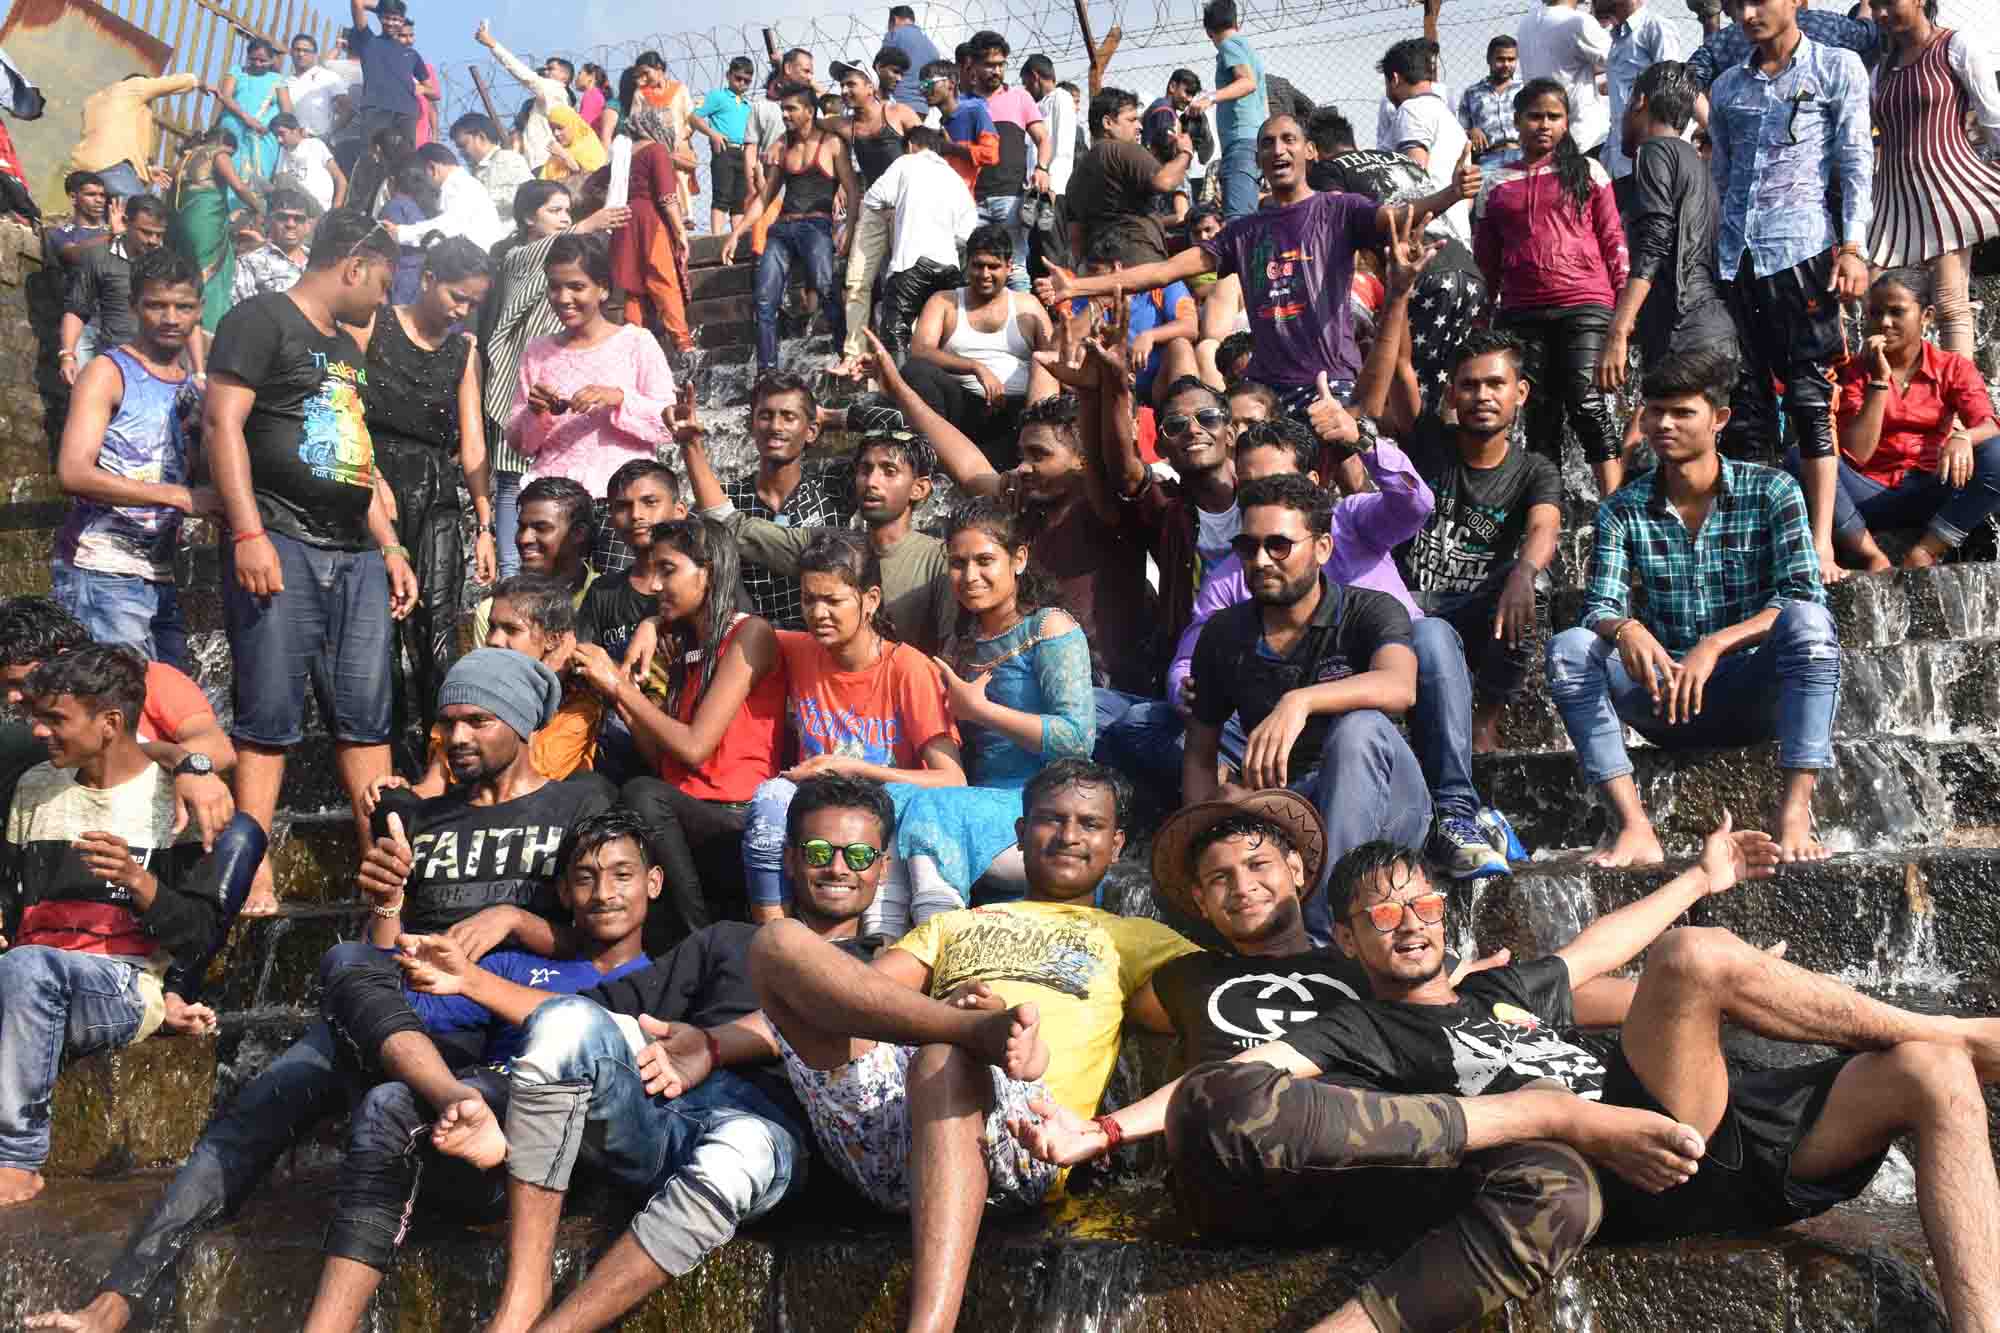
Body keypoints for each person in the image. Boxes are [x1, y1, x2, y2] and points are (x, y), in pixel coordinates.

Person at [1153, 823, 2000, 1332]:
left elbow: (1600, 944)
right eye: (1382, 912)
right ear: (1346, 936)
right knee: (1693, 956)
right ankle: (1961, 1026)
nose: (1410, 924)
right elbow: (1245, 1076)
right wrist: (1114, 1128)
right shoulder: (1363, 1027)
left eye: (1424, 904)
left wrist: (1703, 875)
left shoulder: (1502, 988)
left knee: (1932, 1072)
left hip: (1737, 1124)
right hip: (1634, 1154)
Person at [20, 649, 610, 1333]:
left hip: (505, 1022)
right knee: (257, 1103)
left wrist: (513, 918)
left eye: (478, 721)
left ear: (523, 721)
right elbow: (385, 951)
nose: (457, 737)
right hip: (401, 1013)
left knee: (371, 1054)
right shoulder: (422, 816)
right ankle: (113, 1303)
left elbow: (611, 934)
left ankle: (449, 1104)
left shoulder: (581, 801)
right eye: (447, 722)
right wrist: (387, 900)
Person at [742, 758, 1196, 1333]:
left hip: (1026, 1140)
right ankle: (969, 1030)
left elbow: (1216, 1012)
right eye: (1051, 819)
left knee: (945, 1056)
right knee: (778, 941)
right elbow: (844, 999)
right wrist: (708, 1045)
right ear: (1020, 831)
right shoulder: (955, 923)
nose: (1069, 835)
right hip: (886, 1134)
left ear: (1117, 844)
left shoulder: (1136, 937)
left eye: (1090, 823)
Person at [479, 786, 893, 1333]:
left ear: (882, 868)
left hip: (771, 1139)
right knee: (564, 1023)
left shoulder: (894, 968)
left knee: (741, 1150)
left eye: (858, 855)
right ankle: (522, 1299)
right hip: (658, 1110)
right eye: (819, 851)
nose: (837, 868)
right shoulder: (726, 941)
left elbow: (834, 1021)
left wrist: (712, 1044)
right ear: (790, 859)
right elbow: (590, 1012)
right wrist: (467, 981)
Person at [297, 802, 656, 1333]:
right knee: (352, 977)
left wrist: (495, 950)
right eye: (585, 878)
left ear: (654, 883)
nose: (604, 893)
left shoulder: (667, 977)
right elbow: (392, 1013)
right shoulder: (517, 965)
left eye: (622, 875)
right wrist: (390, 909)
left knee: (428, 1096)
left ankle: (463, 1102)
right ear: (563, 893)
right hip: (465, 1134)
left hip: (552, 1156)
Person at [203, 208, 419, 934]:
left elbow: (358, 453)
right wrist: (247, 532)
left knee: (367, 718)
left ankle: (382, 871)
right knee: (267, 713)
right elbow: (222, 424)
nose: (384, 299)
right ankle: (251, 862)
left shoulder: (345, 348)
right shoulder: (260, 319)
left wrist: (390, 545)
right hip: (281, 537)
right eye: (381, 282)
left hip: (354, 552)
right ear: (352, 265)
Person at [1547, 345, 1838, 867]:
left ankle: (1795, 812)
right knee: (1571, 648)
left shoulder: (1773, 491)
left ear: (1719, 419)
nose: (1665, 424)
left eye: (1682, 412)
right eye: (1656, 411)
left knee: (1811, 623)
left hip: (1752, 691)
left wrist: (1716, 644)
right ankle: (1634, 826)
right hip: (1666, 697)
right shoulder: (1621, 510)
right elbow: (1599, 607)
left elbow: (1802, 594)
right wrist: (1626, 628)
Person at [0, 646, 264, 1209]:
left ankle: (17, 1160)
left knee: (28, 967)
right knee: (25, 966)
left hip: (122, 985)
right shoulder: (35, 788)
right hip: (28, 975)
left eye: (54, 719)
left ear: (110, 723)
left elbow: (197, 937)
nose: (38, 731)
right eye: (37, 717)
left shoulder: (179, 803)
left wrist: (137, 881)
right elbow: (12, 904)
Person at [1044, 112, 1477, 418]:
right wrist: (1077, 287)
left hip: (1332, 385)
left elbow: (1398, 217)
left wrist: (1453, 193)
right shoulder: (1243, 232)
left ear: (1310, 151)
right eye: (1267, 143)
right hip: (1265, 395)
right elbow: (1163, 271)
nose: (1278, 149)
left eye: (1288, 139)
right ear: (1259, 160)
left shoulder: (1339, 210)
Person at [1181, 472, 1431, 944]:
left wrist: (1300, 701)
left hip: (1386, 803)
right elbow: (1199, 752)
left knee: (1358, 729)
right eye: (1248, 547)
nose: (1260, 561)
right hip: (1287, 807)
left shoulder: (1369, 611)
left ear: (1322, 547)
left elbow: (1400, 686)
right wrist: (1205, 831)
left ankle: (1328, 932)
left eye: (1278, 546)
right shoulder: (1224, 633)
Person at [872, 331, 1157, 702]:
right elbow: (967, 466)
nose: (1022, 468)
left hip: (1104, 691)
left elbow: (1117, 465)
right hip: (1030, 681)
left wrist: (1099, 392)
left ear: (1082, 461)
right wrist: (898, 388)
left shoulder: (1106, 507)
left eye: (1039, 455)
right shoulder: (1024, 505)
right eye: (1022, 455)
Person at [722, 531, 967, 931]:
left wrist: (850, 768)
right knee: (770, 799)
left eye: (833, 601)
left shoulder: (909, 669)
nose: (818, 613)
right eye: (808, 600)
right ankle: (775, 938)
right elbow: (729, 625)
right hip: (816, 811)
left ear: (870, 600)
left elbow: (952, 779)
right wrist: (651, 625)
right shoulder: (799, 649)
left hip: (881, 813)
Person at [1709, 0, 1872, 585]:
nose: (1748, 13)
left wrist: (1852, 247)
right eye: (1736, 4)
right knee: (1746, 408)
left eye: (1759, 0)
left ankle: (1822, 543)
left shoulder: (1836, 67)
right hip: (1736, 261)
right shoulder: (1727, 87)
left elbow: (1855, 160)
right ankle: (1760, 542)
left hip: (1802, 251)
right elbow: (1722, 176)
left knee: (1809, 398)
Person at [583, 516, 783, 938]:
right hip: (687, 813)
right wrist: (621, 698)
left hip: (735, 816)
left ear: (707, 571)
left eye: (668, 570)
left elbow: (695, 748)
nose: (655, 585)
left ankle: (699, 936)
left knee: (641, 793)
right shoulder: (686, 645)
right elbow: (665, 762)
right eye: (652, 570)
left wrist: (620, 687)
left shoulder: (750, 634)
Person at [358, 236, 498, 735]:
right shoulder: (374, 325)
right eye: (457, 297)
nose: (462, 311)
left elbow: (474, 443)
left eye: (472, 304)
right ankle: (387, 746)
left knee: (438, 625)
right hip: (372, 484)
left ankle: (441, 750)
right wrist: (370, 475)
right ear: (428, 279)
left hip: (436, 491)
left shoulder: (464, 351)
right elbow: (345, 405)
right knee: (378, 627)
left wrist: (484, 523)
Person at [51, 247, 213, 671]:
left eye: (183, 306)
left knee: (173, 696)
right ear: (133, 306)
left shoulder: (194, 390)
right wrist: (176, 495)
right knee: (118, 703)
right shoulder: (107, 372)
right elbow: (73, 472)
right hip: (100, 569)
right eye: (156, 305)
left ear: (199, 310)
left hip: (158, 574)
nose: (171, 318)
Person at [684, 407, 956, 655]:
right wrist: (691, 445)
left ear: (919, 488)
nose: (872, 481)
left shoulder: (940, 560)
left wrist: (830, 417)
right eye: (865, 470)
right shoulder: (828, 545)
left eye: (889, 471)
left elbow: (950, 650)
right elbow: (733, 526)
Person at [1473, 79, 1629, 495]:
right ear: (1516, 121)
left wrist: (1623, 317)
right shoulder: (1494, 184)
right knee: (1538, 417)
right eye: (1535, 116)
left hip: (1585, 303)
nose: (1544, 124)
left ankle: (1616, 507)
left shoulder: (1588, 171)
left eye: (1554, 116)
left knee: (1586, 403)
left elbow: (1613, 240)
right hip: (1521, 312)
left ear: (1566, 122)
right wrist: (1483, 321)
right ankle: (1547, 513)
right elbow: (1485, 263)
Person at [479, 182, 629, 579]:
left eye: (568, 211)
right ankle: (512, 577)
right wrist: (588, 224)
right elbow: (555, 252)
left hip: (564, 385)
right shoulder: (516, 257)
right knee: (512, 480)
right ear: (528, 217)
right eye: (555, 210)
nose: (565, 219)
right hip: (521, 382)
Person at [1595, 60, 1736, 466]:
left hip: (1684, 329)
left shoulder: (1654, 151)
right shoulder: (1695, 162)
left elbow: (1654, 242)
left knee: (1650, 454)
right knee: (1692, 463)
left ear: (1640, 101)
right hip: (1711, 329)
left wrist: (1618, 329)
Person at [1303, 111, 1491, 414]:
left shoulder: (1327, 171)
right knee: (1452, 387)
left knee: (1412, 390)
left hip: (1419, 272)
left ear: (1312, 150)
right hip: (1467, 270)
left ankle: (1420, 445)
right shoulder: (1399, 159)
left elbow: (1337, 227)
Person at [1818, 268, 2000, 572]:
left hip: (1934, 489)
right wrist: (1878, 381)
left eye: (1896, 312)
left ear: (1926, 316)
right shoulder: (1855, 371)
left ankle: (1926, 550)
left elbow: (1990, 424)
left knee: (1997, 453)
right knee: (1803, 457)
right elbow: (1857, 454)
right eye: (1875, 313)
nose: (1884, 322)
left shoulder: (1952, 367)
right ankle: (1871, 555)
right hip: (1867, 495)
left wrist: (1964, 436)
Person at [508, 231, 676, 553]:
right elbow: (520, 444)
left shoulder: (636, 343)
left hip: (622, 504)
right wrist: (534, 412)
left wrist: (619, 398)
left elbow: (669, 424)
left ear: (603, 288)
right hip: (555, 507)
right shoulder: (537, 351)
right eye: (555, 286)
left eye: (576, 286)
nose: (563, 297)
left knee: (618, 585)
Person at [380, 574, 603, 802]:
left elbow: (532, 774)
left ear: (553, 640)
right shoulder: (476, 691)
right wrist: (400, 794)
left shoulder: (578, 701)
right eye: (492, 627)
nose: (494, 640)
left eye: (511, 629)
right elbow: (433, 786)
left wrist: (544, 682)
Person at [1865, 0, 2000, 362]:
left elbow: (1994, 121)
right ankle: (1888, 388)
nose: (1880, 14)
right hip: (1893, 198)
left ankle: (1961, 396)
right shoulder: (1880, 70)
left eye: (1888, 3)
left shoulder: (1955, 47)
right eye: (1874, 5)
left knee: (1950, 304)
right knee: (1872, 297)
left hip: (1948, 191)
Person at [722, 81, 855, 374]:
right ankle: (766, 373)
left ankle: (846, 356)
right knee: (764, 299)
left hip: (817, 226)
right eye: (783, 109)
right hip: (782, 229)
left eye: (791, 109)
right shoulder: (783, 147)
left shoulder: (831, 144)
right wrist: (736, 234)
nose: (784, 114)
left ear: (809, 111)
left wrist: (851, 229)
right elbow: (765, 197)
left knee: (826, 286)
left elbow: (852, 189)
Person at [905, 225, 1054, 470]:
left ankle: (1018, 457)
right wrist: (975, 367)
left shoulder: (1028, 305)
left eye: (993, 267)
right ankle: (931, 455)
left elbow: (1053, 361)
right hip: (962, 408)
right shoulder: (944, 301)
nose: (984, 274)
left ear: (1009, 267)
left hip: (1017, 415)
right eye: (978, 265)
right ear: (967, 264)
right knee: (916, 370)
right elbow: (920, 350)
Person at [721, 372, 856, 630]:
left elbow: (902, 428)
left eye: (788, 417)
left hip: (821, 639)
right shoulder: (728, 498)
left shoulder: (832, 489)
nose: (775, 426)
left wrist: (833, 417)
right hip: (749, 644)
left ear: (811, 430)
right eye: (765, 415)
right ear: (751, 425)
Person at [850, 124, 976, 366]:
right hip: (949, 269)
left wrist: (894, 213)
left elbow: (873, 198)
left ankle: (897, 386)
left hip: (910, 266)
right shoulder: (954, 178)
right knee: (946, 338)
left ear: (909, 146)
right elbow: (966, 230)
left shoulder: (906, 163)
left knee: (895, 337)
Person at [1064, 86, 1191, 270]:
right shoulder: (1123, 150)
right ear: (1108, 123)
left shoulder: (1076, 175)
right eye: (1131, 120)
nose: (1139, 126)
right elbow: (1165, 181)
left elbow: (1075, 236)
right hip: (1139, 262)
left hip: (1098, 271)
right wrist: (1185, 153)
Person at [962, 31, 1050, 293]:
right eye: (990, 65)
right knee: (972, 270)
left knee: (1015, 268)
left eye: (1001, 64)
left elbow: (1043, 138)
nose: (997, 71)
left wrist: (1042, 168)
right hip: (970, 201)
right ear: (973, 66)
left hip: (1010, 197)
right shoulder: (962, 104)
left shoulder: (1019, 97)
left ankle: (1022, 319)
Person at [471, 477, 598, 646]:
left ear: (578, 533)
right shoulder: (493, 611)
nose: (525, 539)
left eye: (541, 528)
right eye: (522, 527)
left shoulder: (609, 597)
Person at [60, 194, 175, 380]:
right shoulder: (99, 258)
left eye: (159, 234)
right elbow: (77, 309)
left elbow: (189, 318)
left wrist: (199, 372)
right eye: (146, 232)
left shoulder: (168, 266)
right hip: (110, 359)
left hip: (154, 365)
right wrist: (68, 355)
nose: (153, 240)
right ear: (126, 223)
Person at [1379, 38, 1474, 244]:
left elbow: (1414, 179)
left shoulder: (1411, 109)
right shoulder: (1451, 121)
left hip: (1427, 237)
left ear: (1394, 79)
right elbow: (1467, 197)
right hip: (1458, 236)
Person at [168, 127, 258, 332]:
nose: (230, 158)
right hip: (205, 223)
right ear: (224, 145)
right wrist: (258, 206)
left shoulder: (184, 159)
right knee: (210, 277)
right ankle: (210, 331)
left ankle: (184, 327)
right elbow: (239, 187)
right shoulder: (218, 153)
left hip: (179, 225)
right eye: (231, 154)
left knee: (186, 277)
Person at [343, 0, 432, 203]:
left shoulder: (411, 54)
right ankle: (359, 209)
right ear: (380, 18)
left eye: (397, 19)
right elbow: (357, 3)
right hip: (376, 109)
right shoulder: (368, 40)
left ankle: (407, 206)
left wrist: (419, 88)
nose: (392, 23)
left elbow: (432, 91)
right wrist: (383, 7)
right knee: (369, 160)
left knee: (406, 163)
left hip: (405, 113)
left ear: (403, 21)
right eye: (388, 18)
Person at [66, 71, 204, 201]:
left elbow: (116, 136)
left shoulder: (93, 101)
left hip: (81, 171)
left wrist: (146, 170)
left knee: (106, 218)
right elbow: (170, 83)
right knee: (140, 214)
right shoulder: (134, 86)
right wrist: (196, 81)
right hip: (113, 170)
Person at [1188, 0, 1266, 218]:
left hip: (1241, 141)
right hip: (1254, 140)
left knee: (1238, 219)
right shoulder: (1245, 47)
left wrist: (1210, 98)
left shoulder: (1228, 45)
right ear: (1236, 23)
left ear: (1208, 31)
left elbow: (1247, 82)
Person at [1599, 0, 1683, 187]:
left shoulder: (1656, 27)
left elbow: (1669, 92)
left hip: (1648, 160)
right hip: (1619, 156)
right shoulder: (1617, 37)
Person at [473, 20, 572, 175]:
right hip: (539, 164)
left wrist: (492, 44)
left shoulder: (554, 89)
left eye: (551, 69)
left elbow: (524, 74)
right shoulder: (552, 97)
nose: (546, 72)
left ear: (564, 77)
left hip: (543, 164)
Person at [1516, 0, 1614, 154]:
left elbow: (1564, 65)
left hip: (1546, 138)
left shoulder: (1525, 24)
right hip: (1583, 138)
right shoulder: (1577, 21)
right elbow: (1619, 60)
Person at [383, 141, 507, 251]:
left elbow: (445, 226)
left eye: (423, 176)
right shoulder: (465, 183)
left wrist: (400, 233)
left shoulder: (457, 186)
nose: (425, 183)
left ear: (432, 168)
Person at [691, 56, 757, 236]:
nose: (742, 83)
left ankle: (737, 237)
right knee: (722, 196)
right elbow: (695, 117)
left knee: (739, 201)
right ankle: (717, 238)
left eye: (747, 81)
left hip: (744, 154)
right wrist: (712, 133)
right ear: (728, 75)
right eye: (738, 78)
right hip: (724, 150)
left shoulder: (748, 106)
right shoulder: (718, 96)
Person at [919, 60, 999, 197]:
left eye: (928, 83)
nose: (924, 90)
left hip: (965, 202)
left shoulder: (974, 113)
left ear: (951, 83)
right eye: (921, 86)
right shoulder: (939, 123)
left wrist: (952, 148)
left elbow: (991, 154)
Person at [212, 37, 285, 184]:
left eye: (263, 60)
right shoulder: (237, 71)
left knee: (258, 180)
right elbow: (225, 96)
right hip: (234, 132)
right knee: (229, 173)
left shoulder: (278, 80)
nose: (257, 64)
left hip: (263, 137)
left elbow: (286, 109)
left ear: (272, 60)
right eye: (253, 59)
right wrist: (248, 119)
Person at [227, 187, 313, 305]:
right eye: (282, 218)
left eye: (298, 218)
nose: (291, 224)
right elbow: (242, 310)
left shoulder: (319, 261)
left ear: (308, 225)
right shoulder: (250, 262)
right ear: (268, 221)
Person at [449, 113, 532, 220]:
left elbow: (528, 193)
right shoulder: (475, 173)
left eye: (463, 145)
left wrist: (480, 200)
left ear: (481, 137)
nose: (461, 153)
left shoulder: (507, 159)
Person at [1460, 35, 1523, 168]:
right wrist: (1471, 131)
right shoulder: (1472, 93)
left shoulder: (1525, 89)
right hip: (1489, 159)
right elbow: (1460, 129)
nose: (1506, 64)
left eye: (1511, 59)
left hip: (1523, 155)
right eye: (1500, 59)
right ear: (1489, 59)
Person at [379, 156, 435, 305]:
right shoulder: (422, 209)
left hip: (400, 279)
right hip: (418, 279)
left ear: (391, 181)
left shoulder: (392, 207)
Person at [279, 31, 353, 142]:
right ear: (291, 52)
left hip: (319, 143)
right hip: (291, 144)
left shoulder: (328, 76)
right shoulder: (285, 82)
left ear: (315, 54)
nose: (301, 54)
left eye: (306, 51)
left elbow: (348, 109)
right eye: (297, 50)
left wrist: (329, 134)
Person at [1022, 55, 1077, 197]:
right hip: (1034, 188)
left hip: (1050, 190)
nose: (1026, 89)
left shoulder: (1061, 98)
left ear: (1035, 77)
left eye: (1026, 84)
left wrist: (1053, 189)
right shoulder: (1039, 104)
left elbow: (1063, 149)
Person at [268, 114, 345, 212]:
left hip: (316, 209)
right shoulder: (283, 152)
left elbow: (339, 178)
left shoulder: (314, 144)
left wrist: (336, 208)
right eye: (276, 136)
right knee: (258, 182)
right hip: (292, 210)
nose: (279, 140)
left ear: (295, 130)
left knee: (282, 179)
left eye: (281, 133)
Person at [883, 4, 942, 112]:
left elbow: (882, 68)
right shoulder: (931, 46)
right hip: (922, 107)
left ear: (894, 20)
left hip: (898, 104)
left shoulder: (894, 35)